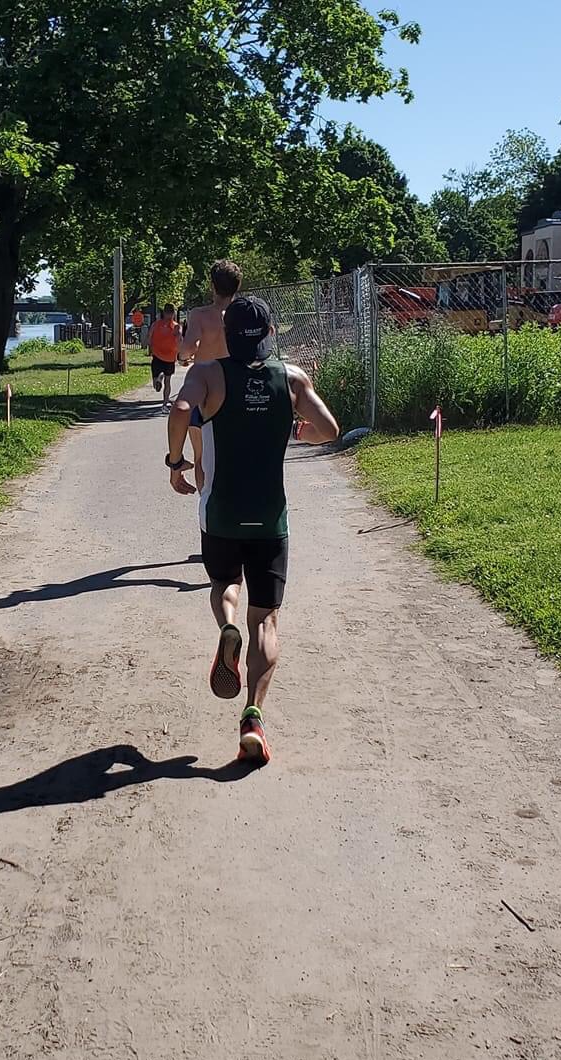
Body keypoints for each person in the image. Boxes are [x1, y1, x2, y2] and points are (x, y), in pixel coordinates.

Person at [164, 293, 341, 765]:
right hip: (269, 518)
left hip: (221, 513)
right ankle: (253, 718)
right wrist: (297, 430)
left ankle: (227, 628)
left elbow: (180, 410)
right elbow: (329, 429)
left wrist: (176, 461)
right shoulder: (292, 377)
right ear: (269, 334)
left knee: (225, 584)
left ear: (227, 332)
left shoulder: (207, 374)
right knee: (265, 619)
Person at [178, 260, 239, 368]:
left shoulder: (199, 315)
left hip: (205, 374)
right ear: (237, 286)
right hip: (233, 374)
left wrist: (182, 358)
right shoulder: (243, 315)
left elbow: (190, 347)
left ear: (212, 286)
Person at [147, 303, 181, 397]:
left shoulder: (155, 325)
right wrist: (180, 353)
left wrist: (150, 347)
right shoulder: (176, 326)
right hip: (170, 357)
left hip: (157, 355)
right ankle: (165, 402)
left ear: (164, 313)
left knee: (155, 381)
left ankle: (159, 377)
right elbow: (179, 341)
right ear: (173, 313)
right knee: (168, 381)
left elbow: (149, 337)